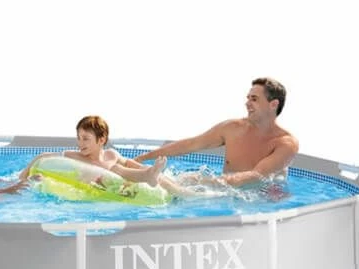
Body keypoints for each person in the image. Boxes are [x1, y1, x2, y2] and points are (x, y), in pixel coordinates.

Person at [128, 77, 299, 188]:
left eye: (254, 99)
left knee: (185, 185)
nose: (247, 103)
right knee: (185, 180)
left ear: (273, 104)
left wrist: (209, 183)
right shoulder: (232, 128)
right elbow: (191, 144)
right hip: (226, 193)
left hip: (261, 202)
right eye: (247, 98)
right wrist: (144, 157)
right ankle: (142, 173)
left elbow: (256, 176)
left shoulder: (285, 143)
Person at [19, 115, 196, 197]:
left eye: (86, 139)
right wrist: (23, 176)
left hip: (126, 183)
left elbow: (131, 164)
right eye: (79, 138)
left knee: (126, 168)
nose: (80, 143)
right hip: (101, 187)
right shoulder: (74, 157)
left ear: (101, 140)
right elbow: (43, 156)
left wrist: (150, 169)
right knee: (116, 169)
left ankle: (181, 191)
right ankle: (149, 176)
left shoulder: (111, 154)